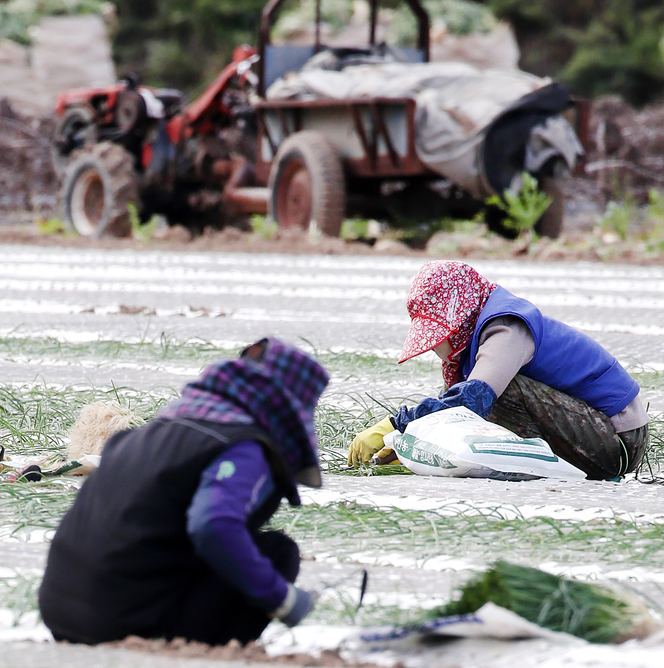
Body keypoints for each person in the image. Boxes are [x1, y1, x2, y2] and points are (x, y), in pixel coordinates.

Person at [38, 338, 327, 646]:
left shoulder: (158, 430)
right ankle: (197, 652)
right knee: (278, 553)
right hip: (118, 621)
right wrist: (283, 598)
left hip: (60, 610)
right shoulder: (242, 446)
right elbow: (214, 525)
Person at [350, 260, 649, 479]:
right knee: (468, 398)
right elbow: (451, 405)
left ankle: (533, 466)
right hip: (590, 430)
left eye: (436, 336)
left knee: (488, 395)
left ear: (460, 317)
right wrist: (410, 446)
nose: (432, 347)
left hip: (618, 443)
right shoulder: (479, 335)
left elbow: (470, 401)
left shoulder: (507, 328)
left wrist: (395, 424)